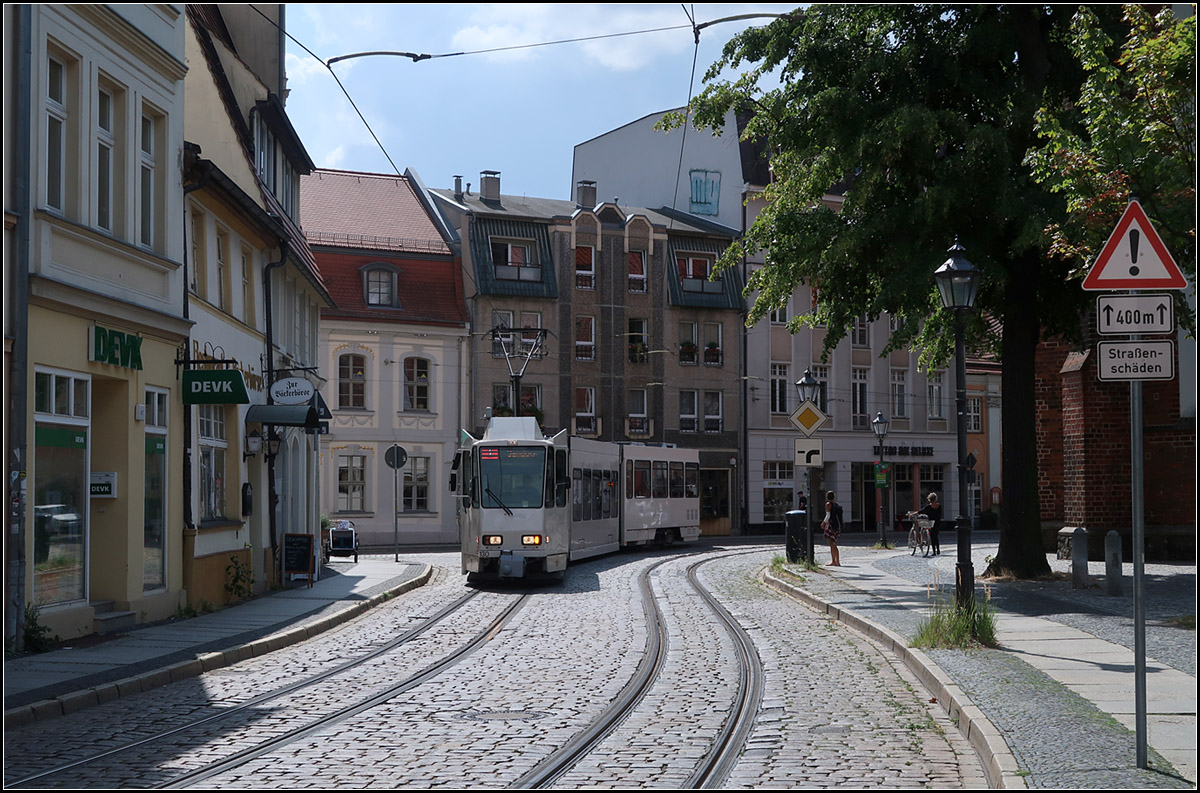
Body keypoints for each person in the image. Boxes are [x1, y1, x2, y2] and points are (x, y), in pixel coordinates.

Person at [821, 490, 843, 566]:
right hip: (836, 525)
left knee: (832, 544)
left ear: (827, 497)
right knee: (834, 543)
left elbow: (828, 515)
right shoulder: (836, 504)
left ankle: (834, 561)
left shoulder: (828, 504)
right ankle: (837, 561)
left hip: (830, 525)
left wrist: (823, 523)